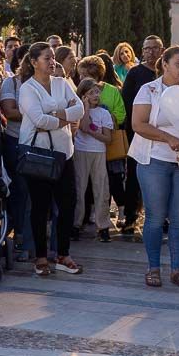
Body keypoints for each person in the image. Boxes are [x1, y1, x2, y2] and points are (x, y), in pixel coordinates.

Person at [128, 47, 179, 288]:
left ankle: (177, 270)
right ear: (165, 65)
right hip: (154, 161)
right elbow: (138, 124)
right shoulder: (149, 90)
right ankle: (153, 267)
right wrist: (167, 138)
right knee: (156, 217)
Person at [18, 42, 84, 277]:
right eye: (47, 58)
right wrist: (65, 119)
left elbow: (80, 109)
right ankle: (41, 257)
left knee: (67, 205)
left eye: (53, 57)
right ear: (34, 62)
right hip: (38, 154)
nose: (52, 61)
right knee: (40, 207)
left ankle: (63, 255)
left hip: (64, 153)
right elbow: (38, 120)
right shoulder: (28, 88)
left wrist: (59, 115)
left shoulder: (62, 83)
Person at [120, 35, 165, 233]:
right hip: (138, 134)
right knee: (134, 177)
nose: (151, 52)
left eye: (155, 48)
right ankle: (131, 217)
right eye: (147, 48)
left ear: (162, 50)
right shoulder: (135, 73)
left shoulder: (168, 73)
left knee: (161, 178)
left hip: (164, 135)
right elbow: (127, 104)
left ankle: (162, 217)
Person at [72, 78, 116, 243]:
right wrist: (86, 108)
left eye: (97, 91)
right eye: (91, 93)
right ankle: (76, 224)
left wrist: (91, 132)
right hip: (81, 151)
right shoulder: (81, 111)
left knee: (101, 189)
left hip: (98, 152)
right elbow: (82, 125)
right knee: (79, 188)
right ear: (84, 96)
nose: (96, 95)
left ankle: (103, 226)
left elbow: (107, 138)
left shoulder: (104, 113)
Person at [0, 45, 32, 259]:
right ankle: (18, 236)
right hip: (16, 141)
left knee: (34, 195)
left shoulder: (51, 84)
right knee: (19, 191)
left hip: (42, 143)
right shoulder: (11, 83)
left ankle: (30, 238)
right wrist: (38, 114)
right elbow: (9, 111)